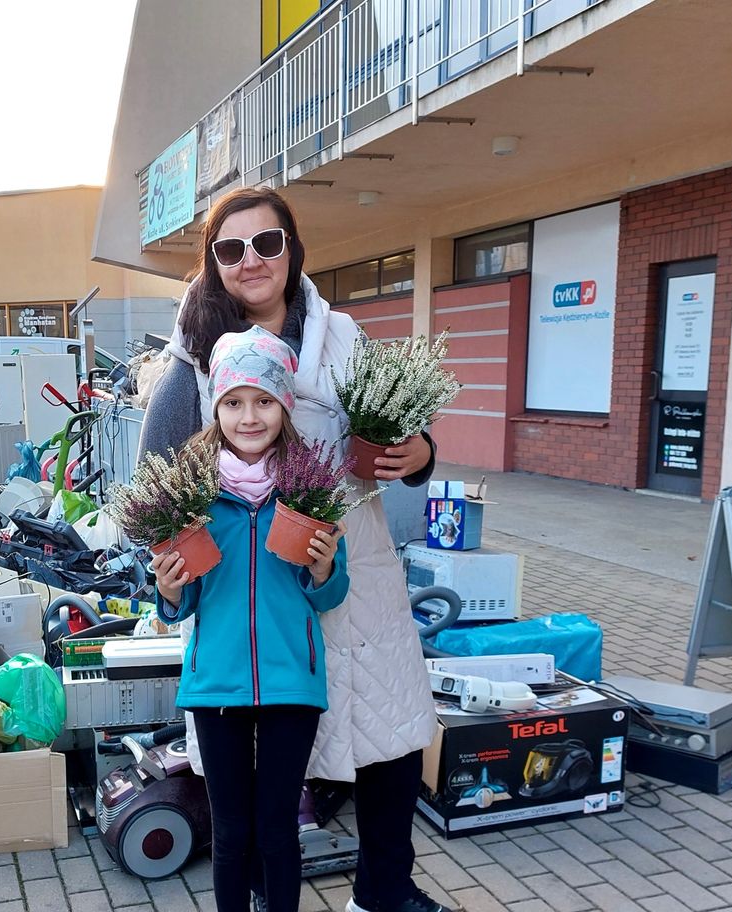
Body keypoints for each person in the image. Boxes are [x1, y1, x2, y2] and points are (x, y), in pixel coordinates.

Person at [140, 187, 446, 912]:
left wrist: (422, 451)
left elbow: (399, 424)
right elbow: (155, 479)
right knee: (260, 779)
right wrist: (170, 573)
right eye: (230, 249)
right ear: (213, 264)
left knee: (389, 732)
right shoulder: (191, 361)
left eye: (267, 243)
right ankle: (258, 890)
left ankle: (384, 889)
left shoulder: (342, 338)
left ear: (292, 247)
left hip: (352, 564)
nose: (251, 261)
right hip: (249, 592)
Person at [153, 325, 348, 912]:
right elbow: (180, 602)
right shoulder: (191, 494)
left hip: (293, 682)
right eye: (234, 402)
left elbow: (331, 594)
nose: (249, 416)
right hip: (217, 683)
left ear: (284, 408)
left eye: (264, 400)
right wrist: (166, 589)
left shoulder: (308, 489)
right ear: (216, 408)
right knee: (232, 832)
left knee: (279, 830)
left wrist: (323, 571)